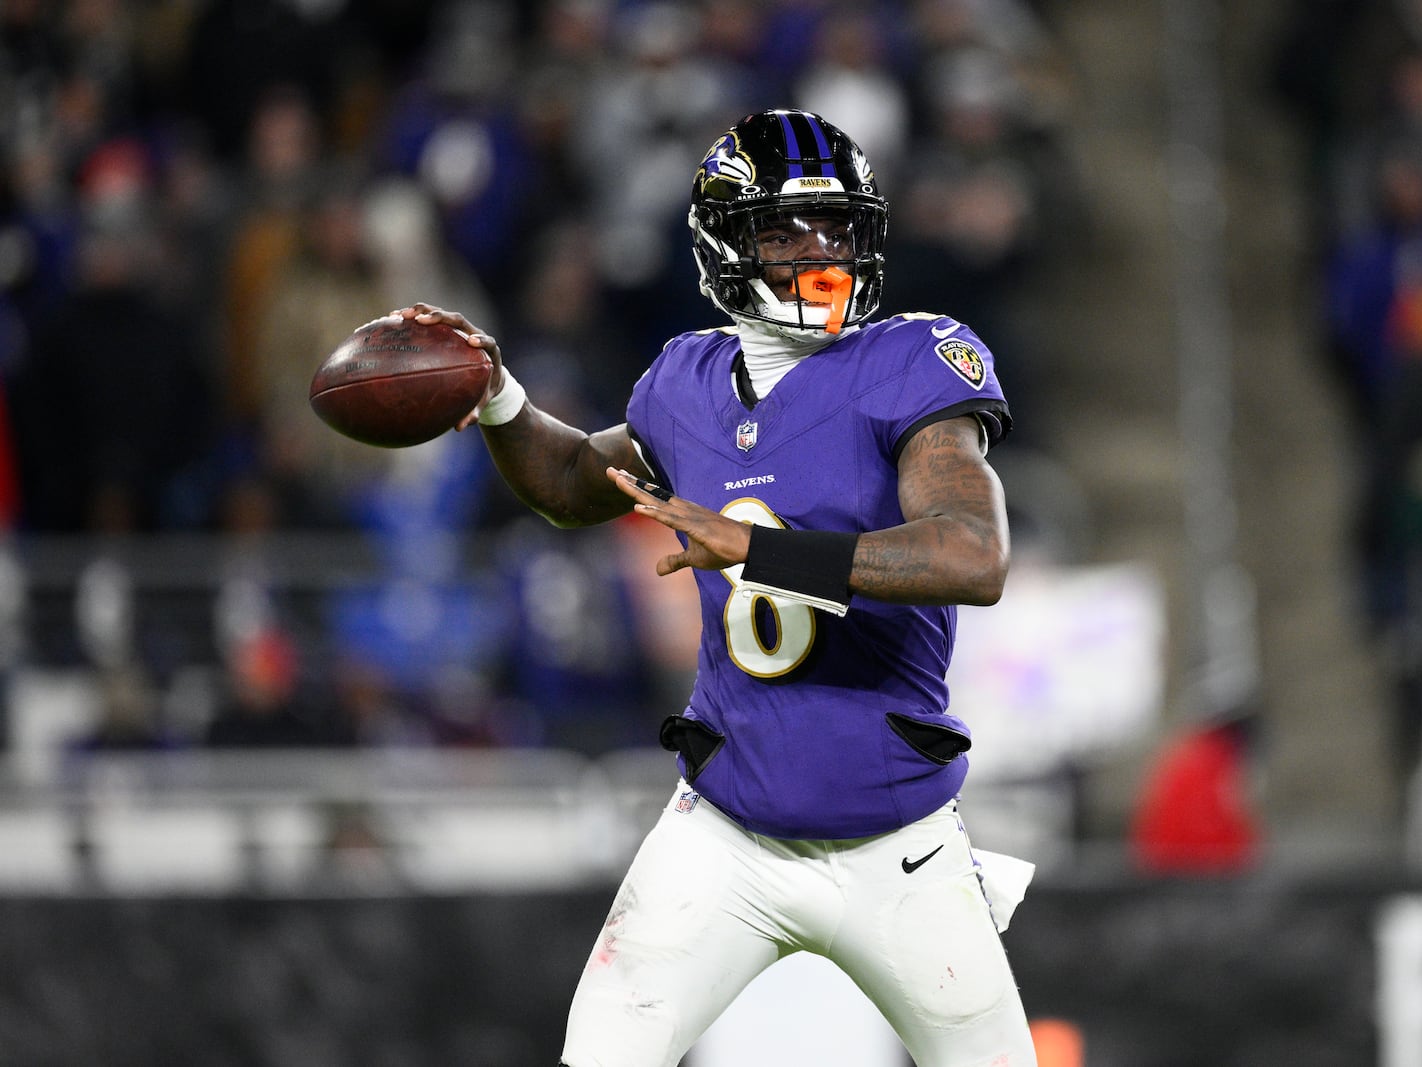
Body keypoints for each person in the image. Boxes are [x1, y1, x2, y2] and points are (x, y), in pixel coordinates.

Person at [390, 109, 1036, 1067]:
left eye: (837, 227)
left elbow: (972, 553)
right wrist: (498, 396)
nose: (822, 252)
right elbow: (573, 484)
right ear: (726, 244)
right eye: (785, 231)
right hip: (726, 834)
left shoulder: (913, 359)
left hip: (896, 844)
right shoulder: (685, 379)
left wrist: (759, 549)